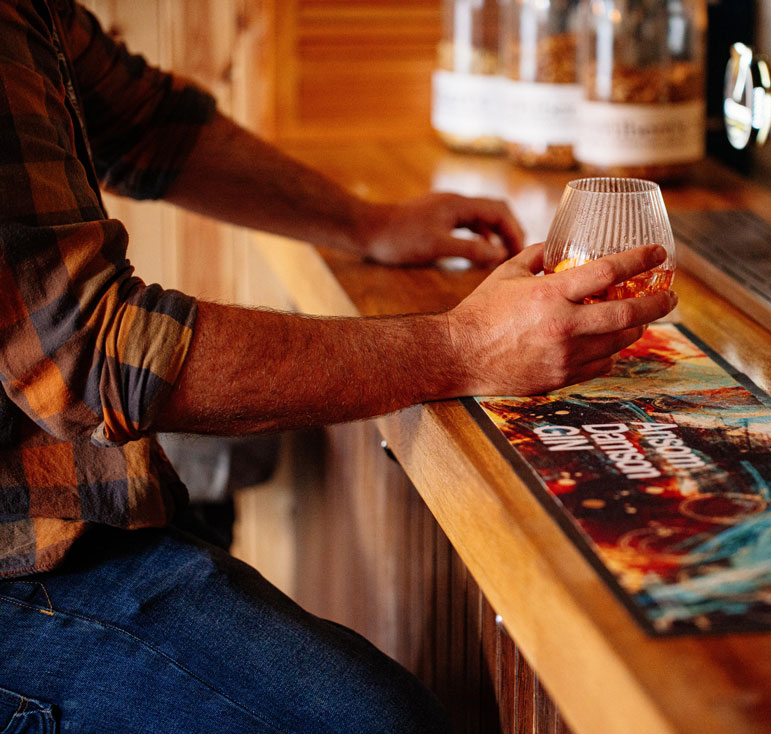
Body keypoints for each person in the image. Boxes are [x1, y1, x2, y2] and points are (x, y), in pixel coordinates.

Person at [0, 1, 676, 732]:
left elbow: (145, 123)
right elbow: (91, 352)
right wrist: (462, 347)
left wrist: (367, 224)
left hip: (83, 510)